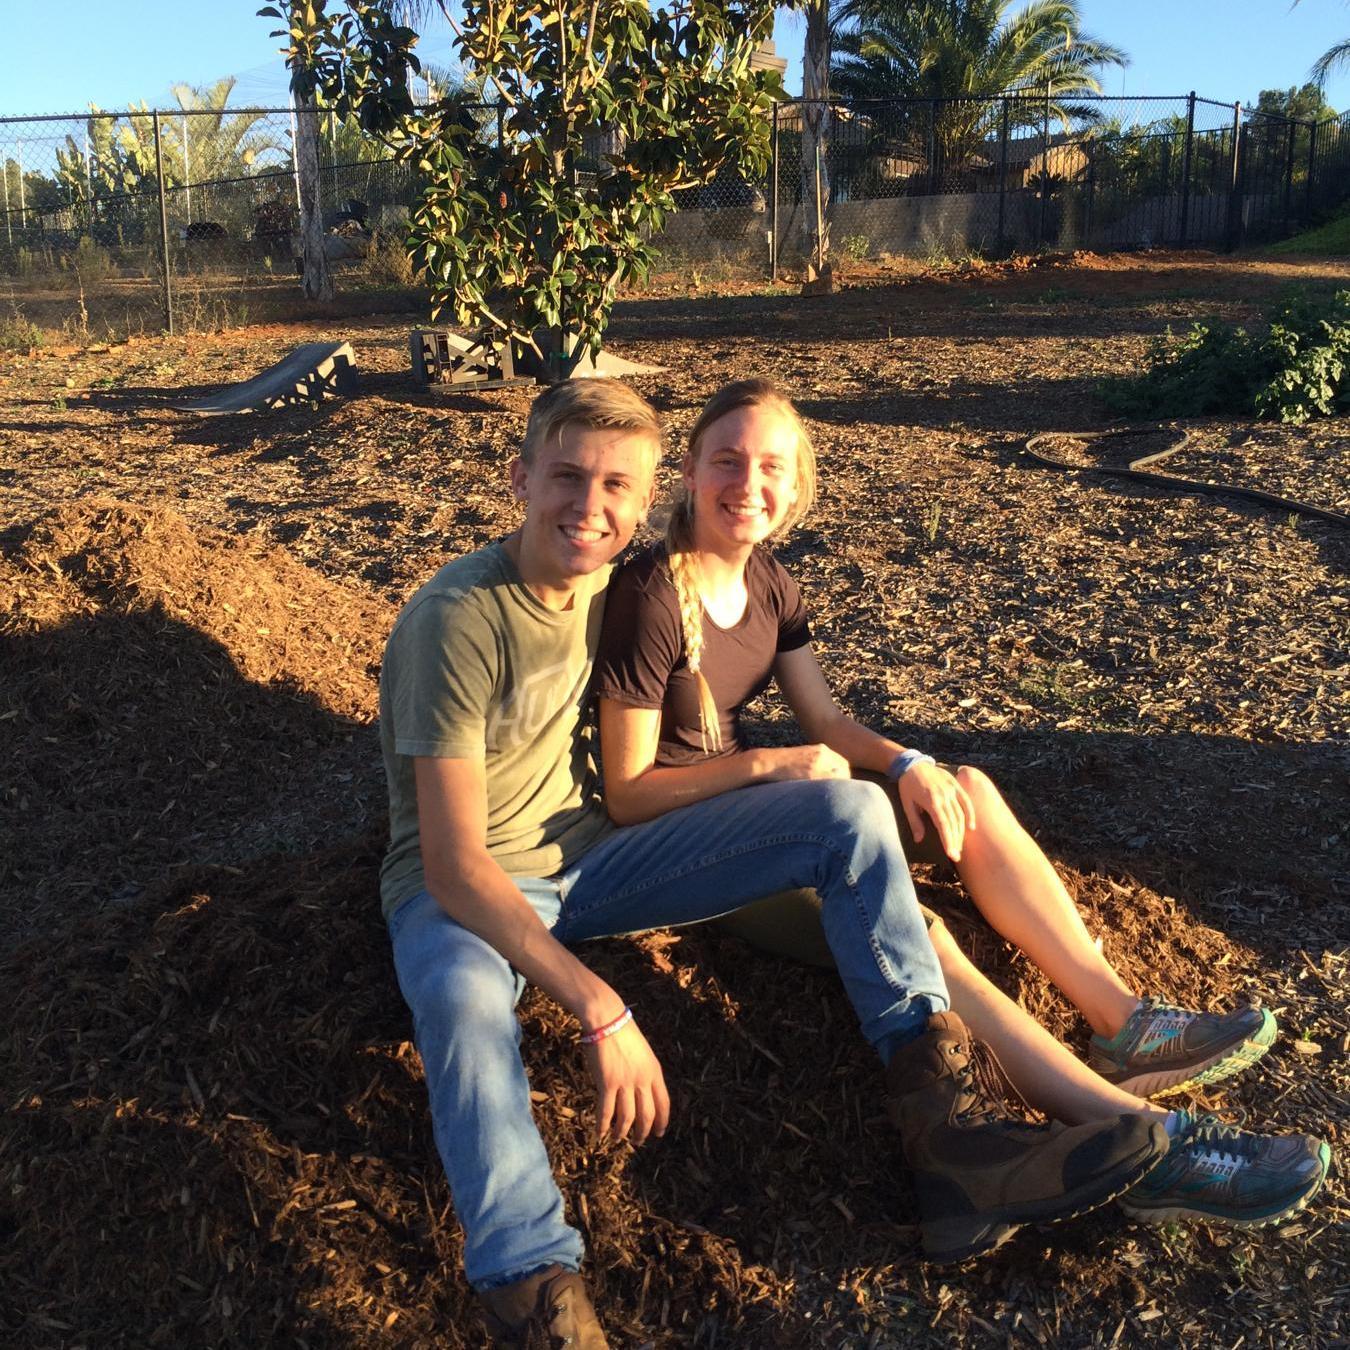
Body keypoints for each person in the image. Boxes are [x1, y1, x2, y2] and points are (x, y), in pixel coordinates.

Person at [378, 380, 1171, 1348]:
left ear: (645, 497)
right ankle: (534, 1291)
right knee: (463, 1004)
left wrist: (896, 760)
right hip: (461, 889)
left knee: (846, 809)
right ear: (521, 480)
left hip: (600, 861)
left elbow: (781, 692)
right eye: (567, 478)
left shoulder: (619, 581)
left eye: (617, 486)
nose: (590, 507)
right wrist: (599, 1004)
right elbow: (458, 866)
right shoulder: (454, 618)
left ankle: (949, 1136)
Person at [592, 377, 1331, 1244]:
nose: (746, 484)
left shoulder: (770, 583)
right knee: (920, 934)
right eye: (726, 461)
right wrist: (770, 763)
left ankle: (1123, 1023)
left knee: (968, 791)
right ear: (689, 468)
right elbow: (629, 794)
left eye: (769, 467)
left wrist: (912, 762)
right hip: (708, 847)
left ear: (796, 487)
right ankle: (1157, 1147)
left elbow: (827, 721)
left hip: (785, 808)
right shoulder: (649, 595)